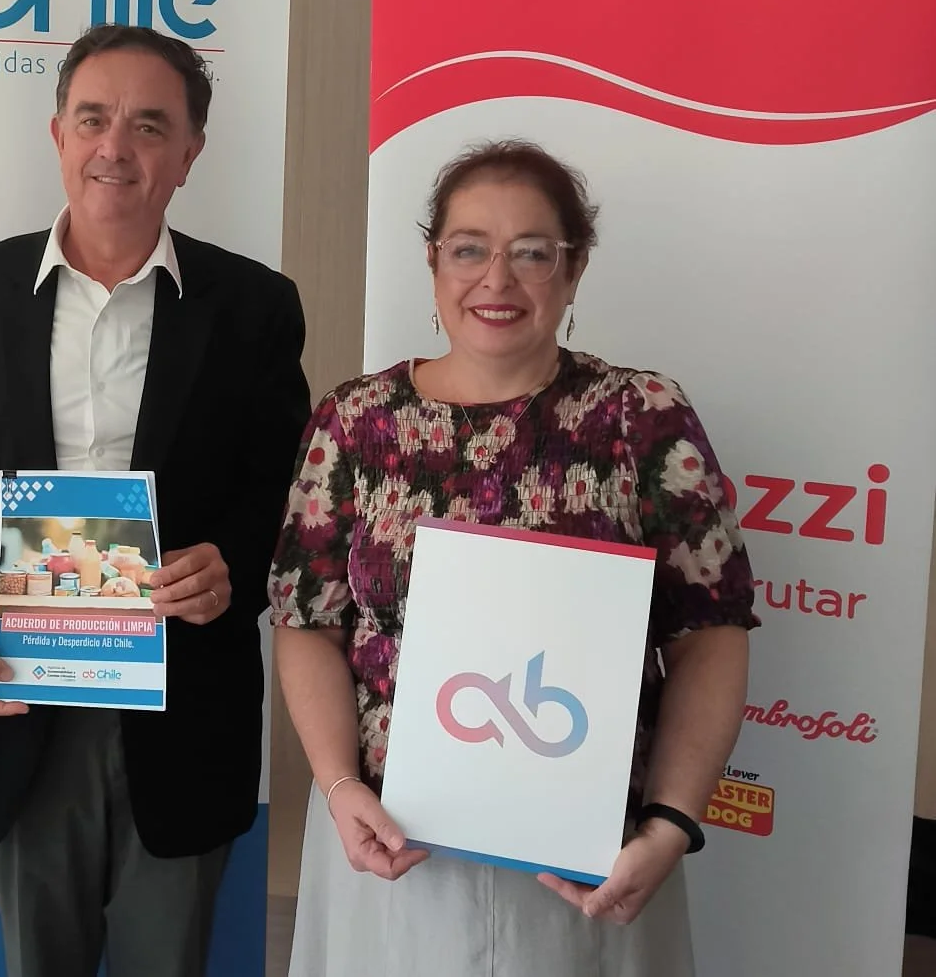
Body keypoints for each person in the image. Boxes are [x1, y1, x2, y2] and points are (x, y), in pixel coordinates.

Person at [268, 139, 757, 976]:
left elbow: (709, 633)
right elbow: (307, 622)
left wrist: (673, 821)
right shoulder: (354, 421)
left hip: (590, 861)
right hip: (388, 841)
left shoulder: (641, 418)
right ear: (433, 263)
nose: (496, 279)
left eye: (532, 252)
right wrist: (340, 787)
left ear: (574, 270)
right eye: (469, 249)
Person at [0, 22, 310, 977]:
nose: (116, 146)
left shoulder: (254, 306)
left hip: (181, 706)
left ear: (190, 154)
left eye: (150, 125)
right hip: (15, 698)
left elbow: (283, 489)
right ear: (59, 135)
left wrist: (232, 562)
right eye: (93, 119)